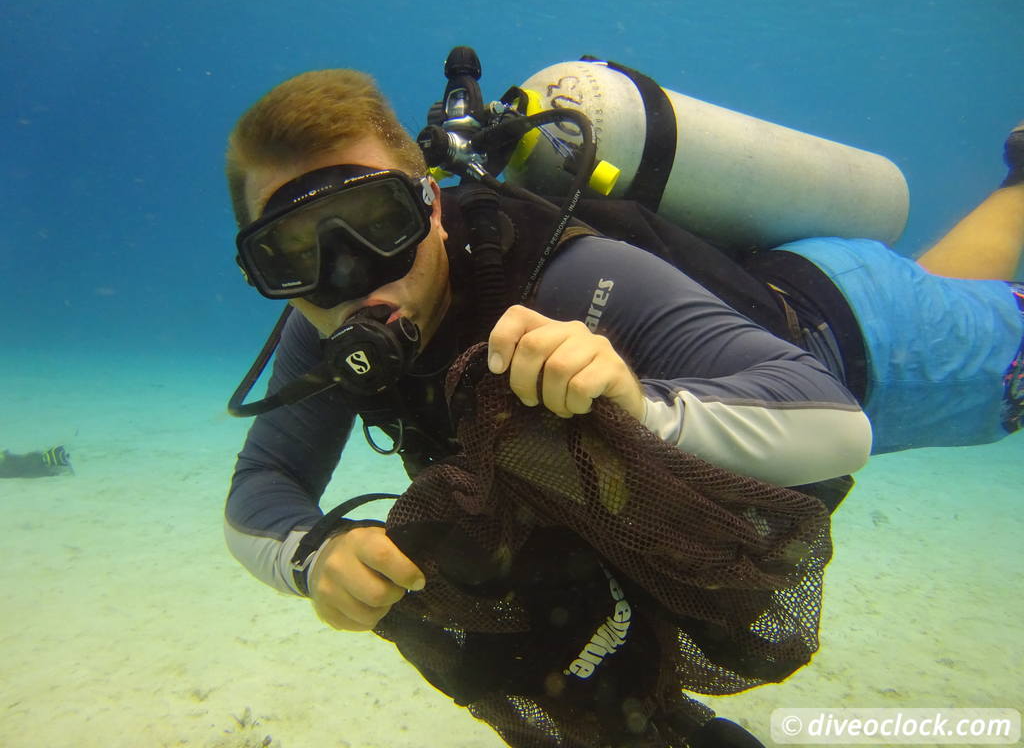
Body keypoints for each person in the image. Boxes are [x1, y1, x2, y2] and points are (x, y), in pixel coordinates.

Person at [222, 69, 1023, 743]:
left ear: (431, 205)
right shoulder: (317, 328)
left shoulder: (568, 276)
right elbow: (262, 488)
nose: (350, 274)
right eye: (294, 253)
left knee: (989, 349)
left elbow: (839, 426)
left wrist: (639, 405)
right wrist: (315, 554)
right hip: (803, 326)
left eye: (376, 223)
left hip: (865, 337)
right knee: (949, 286)